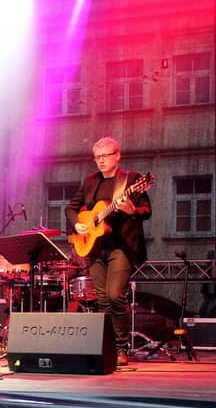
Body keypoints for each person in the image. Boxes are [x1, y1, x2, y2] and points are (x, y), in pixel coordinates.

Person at [65, 137, 152, 366]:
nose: (101, 161)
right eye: (98, 157)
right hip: (95, 248)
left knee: (115, 296)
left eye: (106, 156)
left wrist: (132, 210)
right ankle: (110, 348)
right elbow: (71, 208)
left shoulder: (131, 180)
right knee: (102, 299)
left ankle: (122, 347)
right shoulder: (90, 181)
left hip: (121, 247)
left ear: (117, 155)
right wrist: (77, 224)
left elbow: (146, 210)